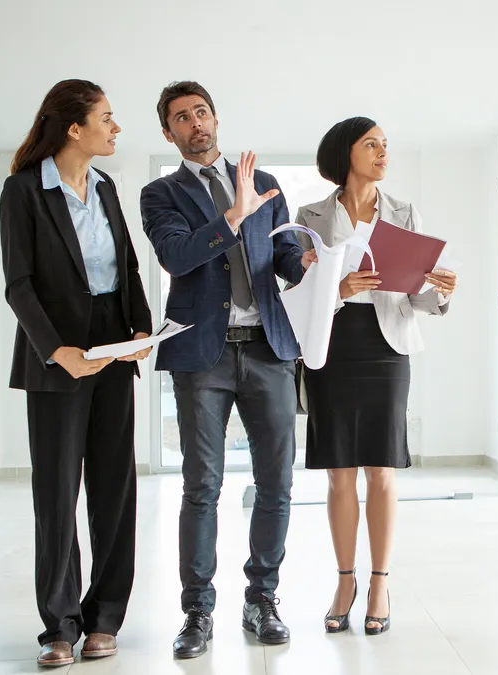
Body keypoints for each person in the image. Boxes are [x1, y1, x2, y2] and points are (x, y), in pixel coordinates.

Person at [139, 81, 316, 659]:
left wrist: (310, 260)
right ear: (169, 133)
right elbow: (178, 256)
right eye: (182, 119)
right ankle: (198, 612)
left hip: (267, 347)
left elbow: (283, 259)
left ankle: (261, 599)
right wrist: (234, 216)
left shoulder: (266, 185)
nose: (196, 124)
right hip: (202, 354)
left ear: (216, 118)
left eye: (202, 112)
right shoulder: (159, 194)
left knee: (278, 482)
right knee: (202, 486)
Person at [0, 79, 153, 667]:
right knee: (57, 492)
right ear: (73, 128)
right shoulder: (24, 192)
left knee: (115, 489)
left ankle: (105, 617)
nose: (115, 129)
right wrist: (57, 351)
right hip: (59, 357)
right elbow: (19, 283)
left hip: (113, 345)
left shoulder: (108, 187)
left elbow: (128, 266)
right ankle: (59, 627)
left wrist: (140, 329)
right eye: (107, 119)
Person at [294, 117, 458, 636]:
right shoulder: (310, 215)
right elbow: (297, 293)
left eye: (386, 145)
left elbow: (417, 294)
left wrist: (443, 290)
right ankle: (345, 582)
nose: (383, 153)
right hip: (332, 345)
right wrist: (337, 287)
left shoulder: (404, 212)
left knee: (381, 469)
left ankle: (380, 583)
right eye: (372, 145)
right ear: (347, 153)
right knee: (339, 470)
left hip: (387, 347)